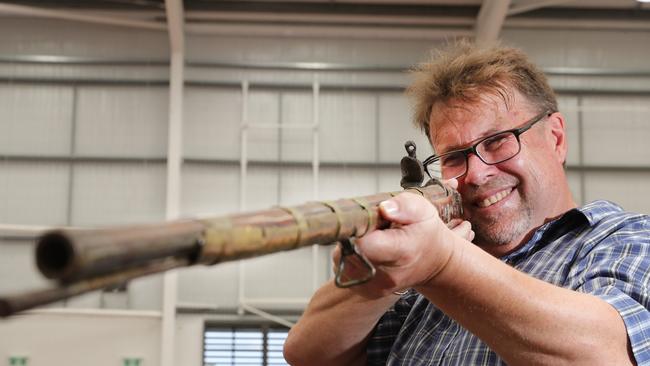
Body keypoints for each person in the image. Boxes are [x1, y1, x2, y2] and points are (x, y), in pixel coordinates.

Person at [283, 41, 650, 365]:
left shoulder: (624, 239)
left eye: (498, 141)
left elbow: (601, 354)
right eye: (455, 156)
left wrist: (441, 262)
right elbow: (309, 354)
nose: (475, 174)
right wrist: (374, 279)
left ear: (555, 138)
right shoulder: (420, 291)